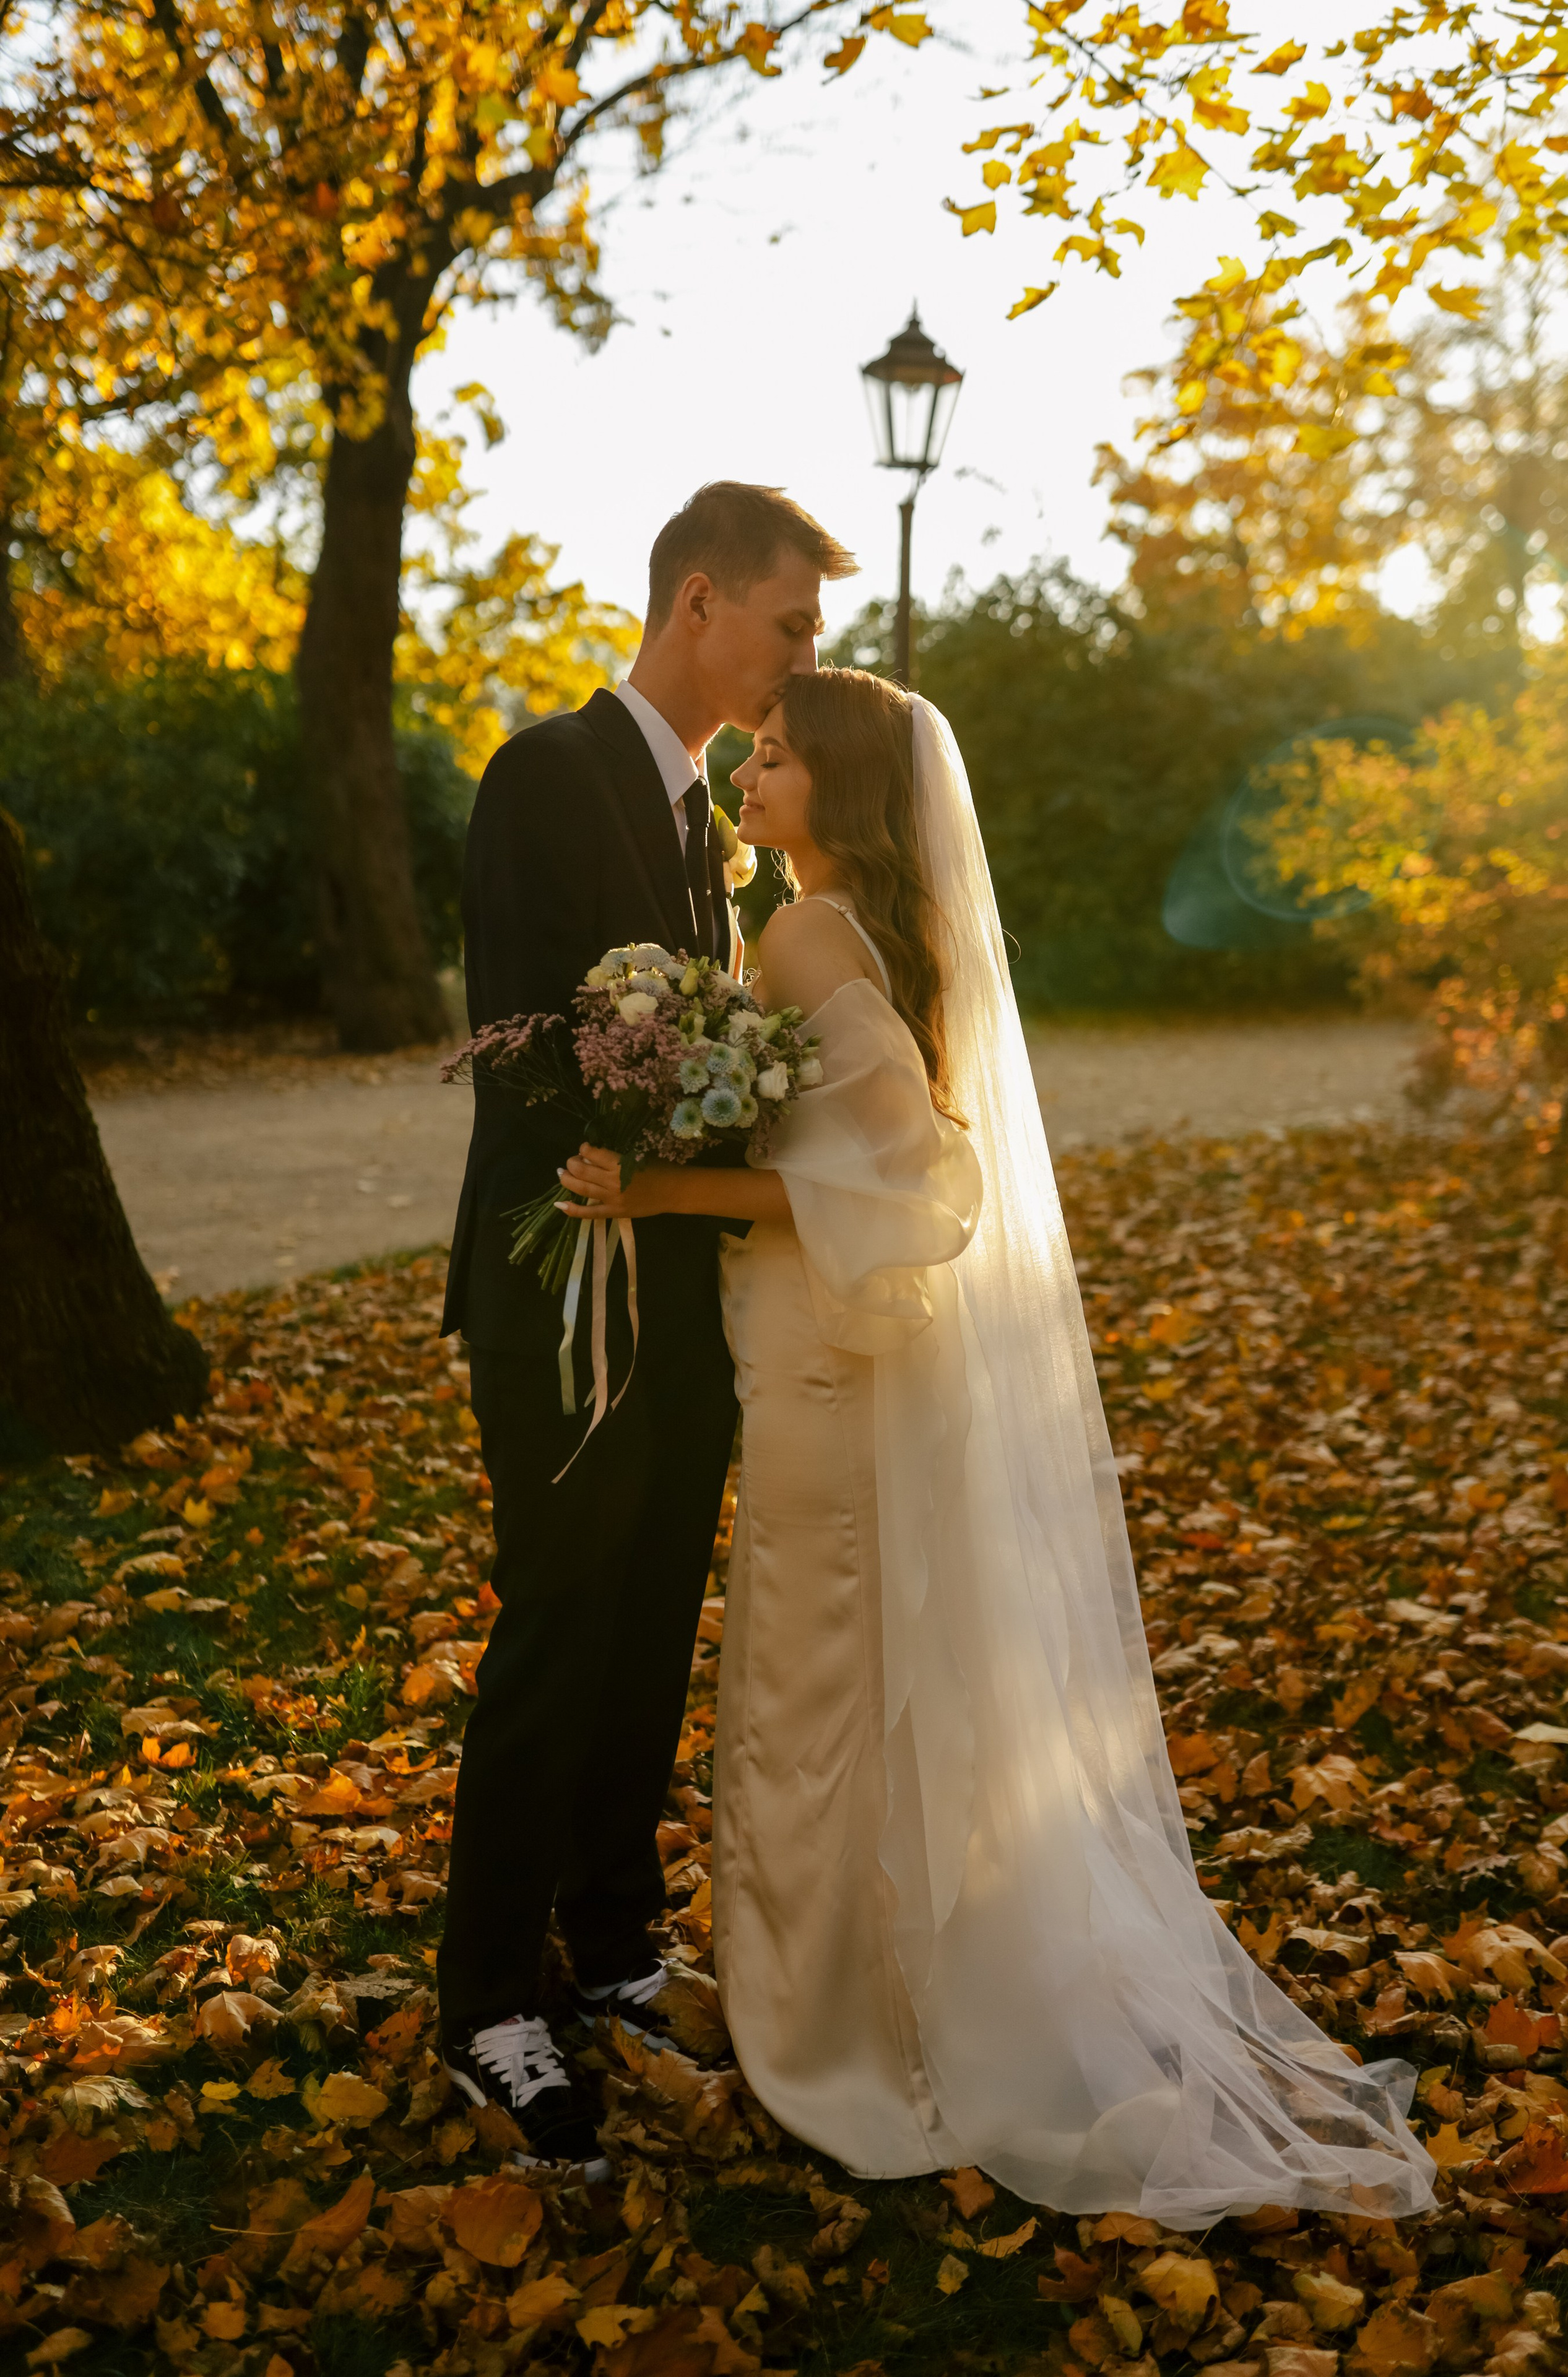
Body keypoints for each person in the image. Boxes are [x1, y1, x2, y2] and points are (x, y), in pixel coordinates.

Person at [557, 669, 1437, 2219]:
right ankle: (878, 1992)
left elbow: (902, 1186)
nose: (749, 777)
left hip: (821, 1362)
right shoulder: (889, 937)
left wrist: (661, 1188)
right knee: (860, 1675)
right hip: (832, 1354)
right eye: (752, 752)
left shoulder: (806, 932)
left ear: (838, 788)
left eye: (774, 759)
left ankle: (831, 2032)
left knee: (811, 1683)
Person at [437, 483, 857, 2178]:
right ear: (701, 602)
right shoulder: (549, 771)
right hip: (566, 1289)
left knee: (649, 1623)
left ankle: (609, 1943)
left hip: (680, 1289)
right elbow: (527, 1037)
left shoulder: (708, 827)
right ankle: (483, 1998)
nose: (800, 661)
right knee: (559, 1621)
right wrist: (679, 1098)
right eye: (788, 626)